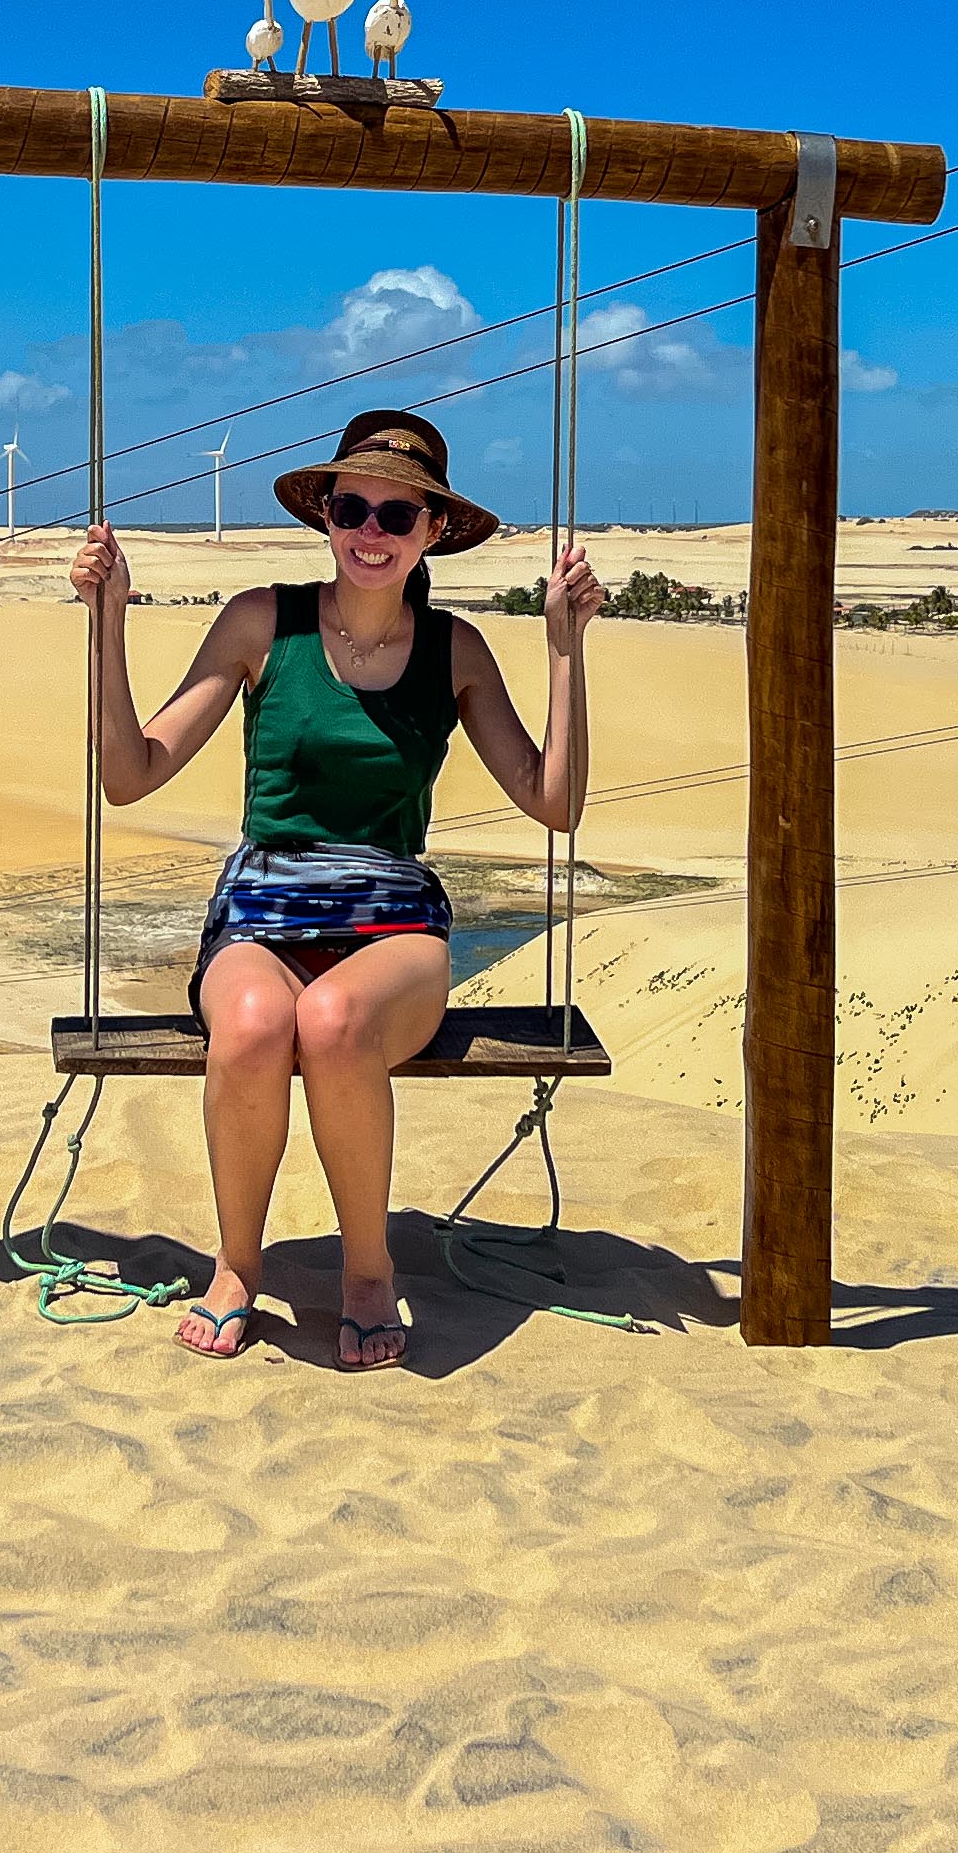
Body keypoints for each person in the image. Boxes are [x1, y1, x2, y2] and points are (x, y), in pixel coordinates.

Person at [71, 408, 603, 1370]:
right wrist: (108, 625)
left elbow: (551, 802)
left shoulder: (456, 651)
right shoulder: (259, 622)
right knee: (247, 1023)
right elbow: (133, 771)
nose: (370, 532)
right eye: (352, 508)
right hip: (263, 906)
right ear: (326, 517)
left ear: (433, 533)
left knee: (336, 1021)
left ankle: (367, 1273)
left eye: (397, 518)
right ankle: (238, 1266)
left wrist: (565, 649)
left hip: (394, 914)